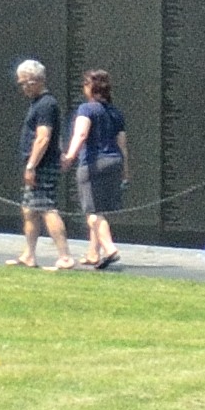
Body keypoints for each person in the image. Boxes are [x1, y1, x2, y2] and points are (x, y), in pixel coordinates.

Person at [57, 68, 127, 271]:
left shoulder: (87, 109)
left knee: (92, 212)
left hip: (93, 163)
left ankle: (110, 249)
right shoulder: (116, 113)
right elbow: (122, 144)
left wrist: (70, 156)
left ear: (90, 87)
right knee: (100, 209)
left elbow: (81, 134)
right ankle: (93, 253)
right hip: (115, 161)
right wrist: (125, 170)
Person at [13, 59, 57, 268]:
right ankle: (29, 254)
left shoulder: (46, 104)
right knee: (29, 210)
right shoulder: (38, 104)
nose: (23, 87)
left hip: (42, 166)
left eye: (25, 82)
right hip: (37, 165)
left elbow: (43, 137)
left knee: (47, 209)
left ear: (37, 80)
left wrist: (31, 166)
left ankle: (65, 255)